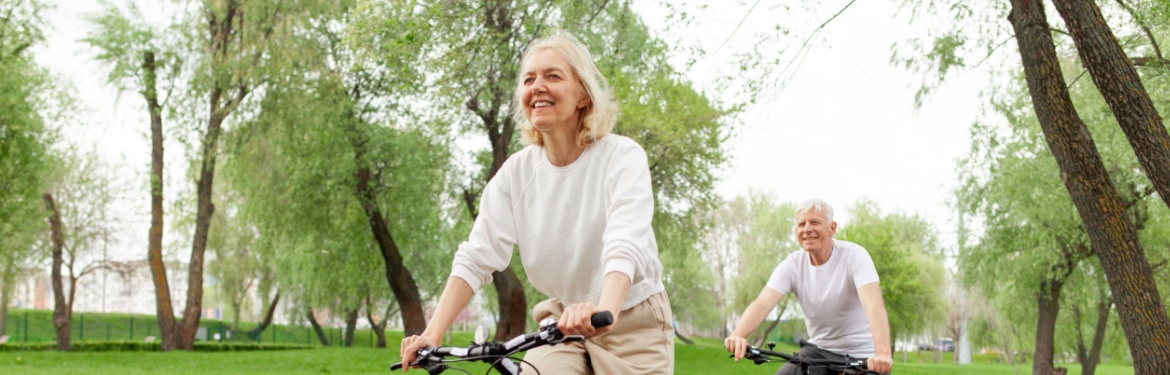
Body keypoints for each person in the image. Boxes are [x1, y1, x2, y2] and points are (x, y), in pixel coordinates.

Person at [399, 31, 673, 374]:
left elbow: (624, 243)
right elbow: (476, 255)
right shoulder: (517, 173)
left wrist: (605, 310)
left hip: (631, 318)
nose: (537, 86)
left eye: (553, 76)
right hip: (563, 322)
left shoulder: (621, 157)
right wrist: (432, 333)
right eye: (529, 79)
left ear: (584, 96)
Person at [725, 199, 893, 375]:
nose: (807, 229)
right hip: (818, 352)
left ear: (832, 228)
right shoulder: (792, 265)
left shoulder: (854, 257)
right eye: (801, 224)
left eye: (815, 222)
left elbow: (874, 305)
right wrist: (738, 335)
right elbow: (762, 304)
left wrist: (882, 354)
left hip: (863, 354)